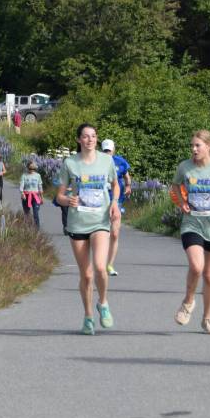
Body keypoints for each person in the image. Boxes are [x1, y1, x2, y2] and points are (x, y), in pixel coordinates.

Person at [169, 130, 210, 335]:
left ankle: (208, 318)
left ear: (209, 146)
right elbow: (175, 186)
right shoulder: (185, 167)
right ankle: (188, 302)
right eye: (192, 145)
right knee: (196, 266)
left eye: (198, 145)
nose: (194, 149)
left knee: (209, 275)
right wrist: (181, 203)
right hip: (192, 223)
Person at [56, 124, 120, 335]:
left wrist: (114, 203)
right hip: (77, 223)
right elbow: (59, 196)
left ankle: (103, 303)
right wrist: (68, 200)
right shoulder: (70, 163)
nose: (90, 140)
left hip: (100, 221)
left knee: (100, 267)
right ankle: (88, 316)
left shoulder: (106, 160)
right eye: (86, 136)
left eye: (93, 136)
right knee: (86, 275)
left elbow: (115, 184)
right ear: (79, 140)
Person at [101, 139, 132, 277]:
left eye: (109, 150)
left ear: (113, 149)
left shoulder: (120, 161)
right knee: (103, 234)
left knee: (114, 233)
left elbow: (126, 176)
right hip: (101, 202)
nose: (107, 152)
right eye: (105, 150)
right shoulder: (97, 161)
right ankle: (100, 262)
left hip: (117, 201)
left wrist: (128, 186)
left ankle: (110, 264)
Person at [20, 161, 43, 227]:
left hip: (35, 196)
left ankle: (37, 229)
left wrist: (41, 198)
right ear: (27, 168)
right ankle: (28, 228)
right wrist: (22, 193)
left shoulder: (38, 175)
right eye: (30, 169)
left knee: (36, 213)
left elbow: (40, 187)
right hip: (26, 195)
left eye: (33, 169)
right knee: (27, 213)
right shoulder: (24, 175)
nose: (31, 170)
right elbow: (21, 186)